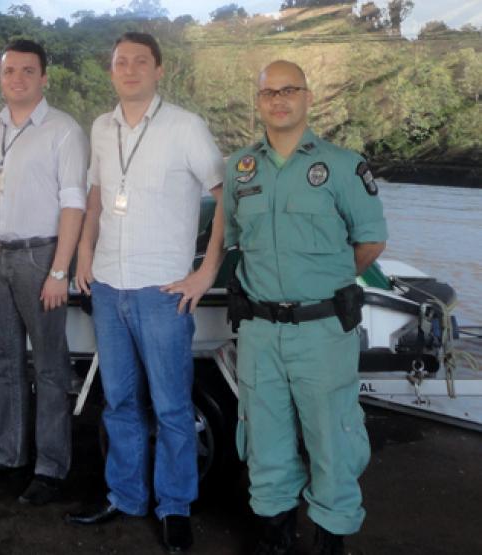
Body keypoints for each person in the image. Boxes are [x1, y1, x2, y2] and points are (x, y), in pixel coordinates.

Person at [65, 32, 226, 553]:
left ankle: (175, 506)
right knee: (120, 403)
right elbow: (94, 194)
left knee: (173, 406)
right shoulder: (101, 125)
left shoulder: (186, 127)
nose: (129, 69)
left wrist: (207, 272)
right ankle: (126, 496)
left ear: (160, 70)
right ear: (110, 71)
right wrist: (84, 252)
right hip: (109, 288)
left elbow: (228, 198)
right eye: (120, 62)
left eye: (140, 61)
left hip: (162, 291)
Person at [222, 60, 387, 555]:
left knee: (332, 440)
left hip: (321, 330)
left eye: (289, 89)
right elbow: (233, 242)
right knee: (263, 438)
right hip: (258, 331)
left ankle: (330, 540)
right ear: (258, 102)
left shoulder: (341, 164)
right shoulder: (239, 168)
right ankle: (276, 537)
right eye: (269, 92)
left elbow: (370, 243)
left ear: (307, 97)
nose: (279, 100)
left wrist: (325, 285)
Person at [0, 39, 88, 505]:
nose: (17, 79)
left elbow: (75, 201)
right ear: (0, 77)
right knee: (2, 362)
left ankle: (51, 469)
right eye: (10, 70)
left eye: (28, 71)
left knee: (50, 367)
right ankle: (9, 458)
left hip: (40, 259)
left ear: (44, 78)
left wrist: (59, 271)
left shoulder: (63, 130)